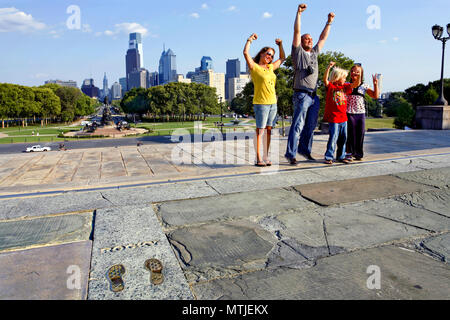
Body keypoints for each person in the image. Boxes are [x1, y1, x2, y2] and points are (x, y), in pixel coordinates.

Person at [285, 4, 335, 165]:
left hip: (314, 95)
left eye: (310, 39)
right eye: (307, 39)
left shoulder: (314, 53)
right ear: (301, 41)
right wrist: (298, 13)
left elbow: (323, 39)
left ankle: (305, 151)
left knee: (311, 126)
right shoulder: (297, 52)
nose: (310, 40)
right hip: (301, 94)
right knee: (298, 125)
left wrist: (329, 22)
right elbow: (296, 32)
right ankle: (291, 154)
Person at [243, 33, 286, 167]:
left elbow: (283, 58)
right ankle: (258, 158)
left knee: (268, 130)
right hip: (261, 104)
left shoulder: (271, 67)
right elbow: (245, 52)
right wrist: (249, 40)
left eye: (272, 55)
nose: (270, 57)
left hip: (273, 103)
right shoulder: (255, 67)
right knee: (260, 131)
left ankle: (266, 157)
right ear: (262, 53)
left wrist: (280, 45)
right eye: (268, 54)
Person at [322, 62, 359, 164]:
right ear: (337, 78)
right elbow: (325, 79)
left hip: (343, 118)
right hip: (334, 118)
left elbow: (355, 84)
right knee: (333, 137)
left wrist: (358, 76)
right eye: (344, 78)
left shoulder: (345, 87)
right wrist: (328, 67)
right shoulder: (331, 87)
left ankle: (341, 156)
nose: (345, 80)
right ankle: (328, 157)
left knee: (343, 138)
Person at [346, 64, 380, 161]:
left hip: (360, 113)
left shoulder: (364, 86)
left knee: (360, 134)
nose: (355, 73)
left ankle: (358, 154)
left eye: (357, 71)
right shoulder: (347, 84)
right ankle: (349, 153)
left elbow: (375, 96)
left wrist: (375, 84)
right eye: (353, 71)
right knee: (350, 134)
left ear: (361, 74)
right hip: (349, 112)